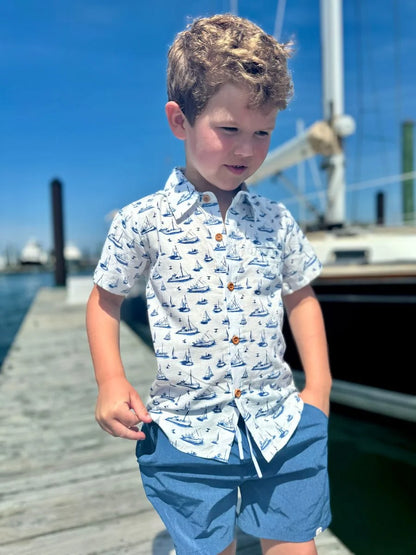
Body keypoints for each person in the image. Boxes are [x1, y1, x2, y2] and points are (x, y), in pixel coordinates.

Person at [86, 13, 332, 555]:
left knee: (297, 546)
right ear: (180, 120)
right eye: (229, 129)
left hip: (282, 422)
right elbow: (104, 300)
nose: (246, 149)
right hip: (185, 431)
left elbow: (301, 297)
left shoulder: (276, 220)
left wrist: (319, 389)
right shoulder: (142, 221)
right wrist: (110, 380)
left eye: (262, 132)